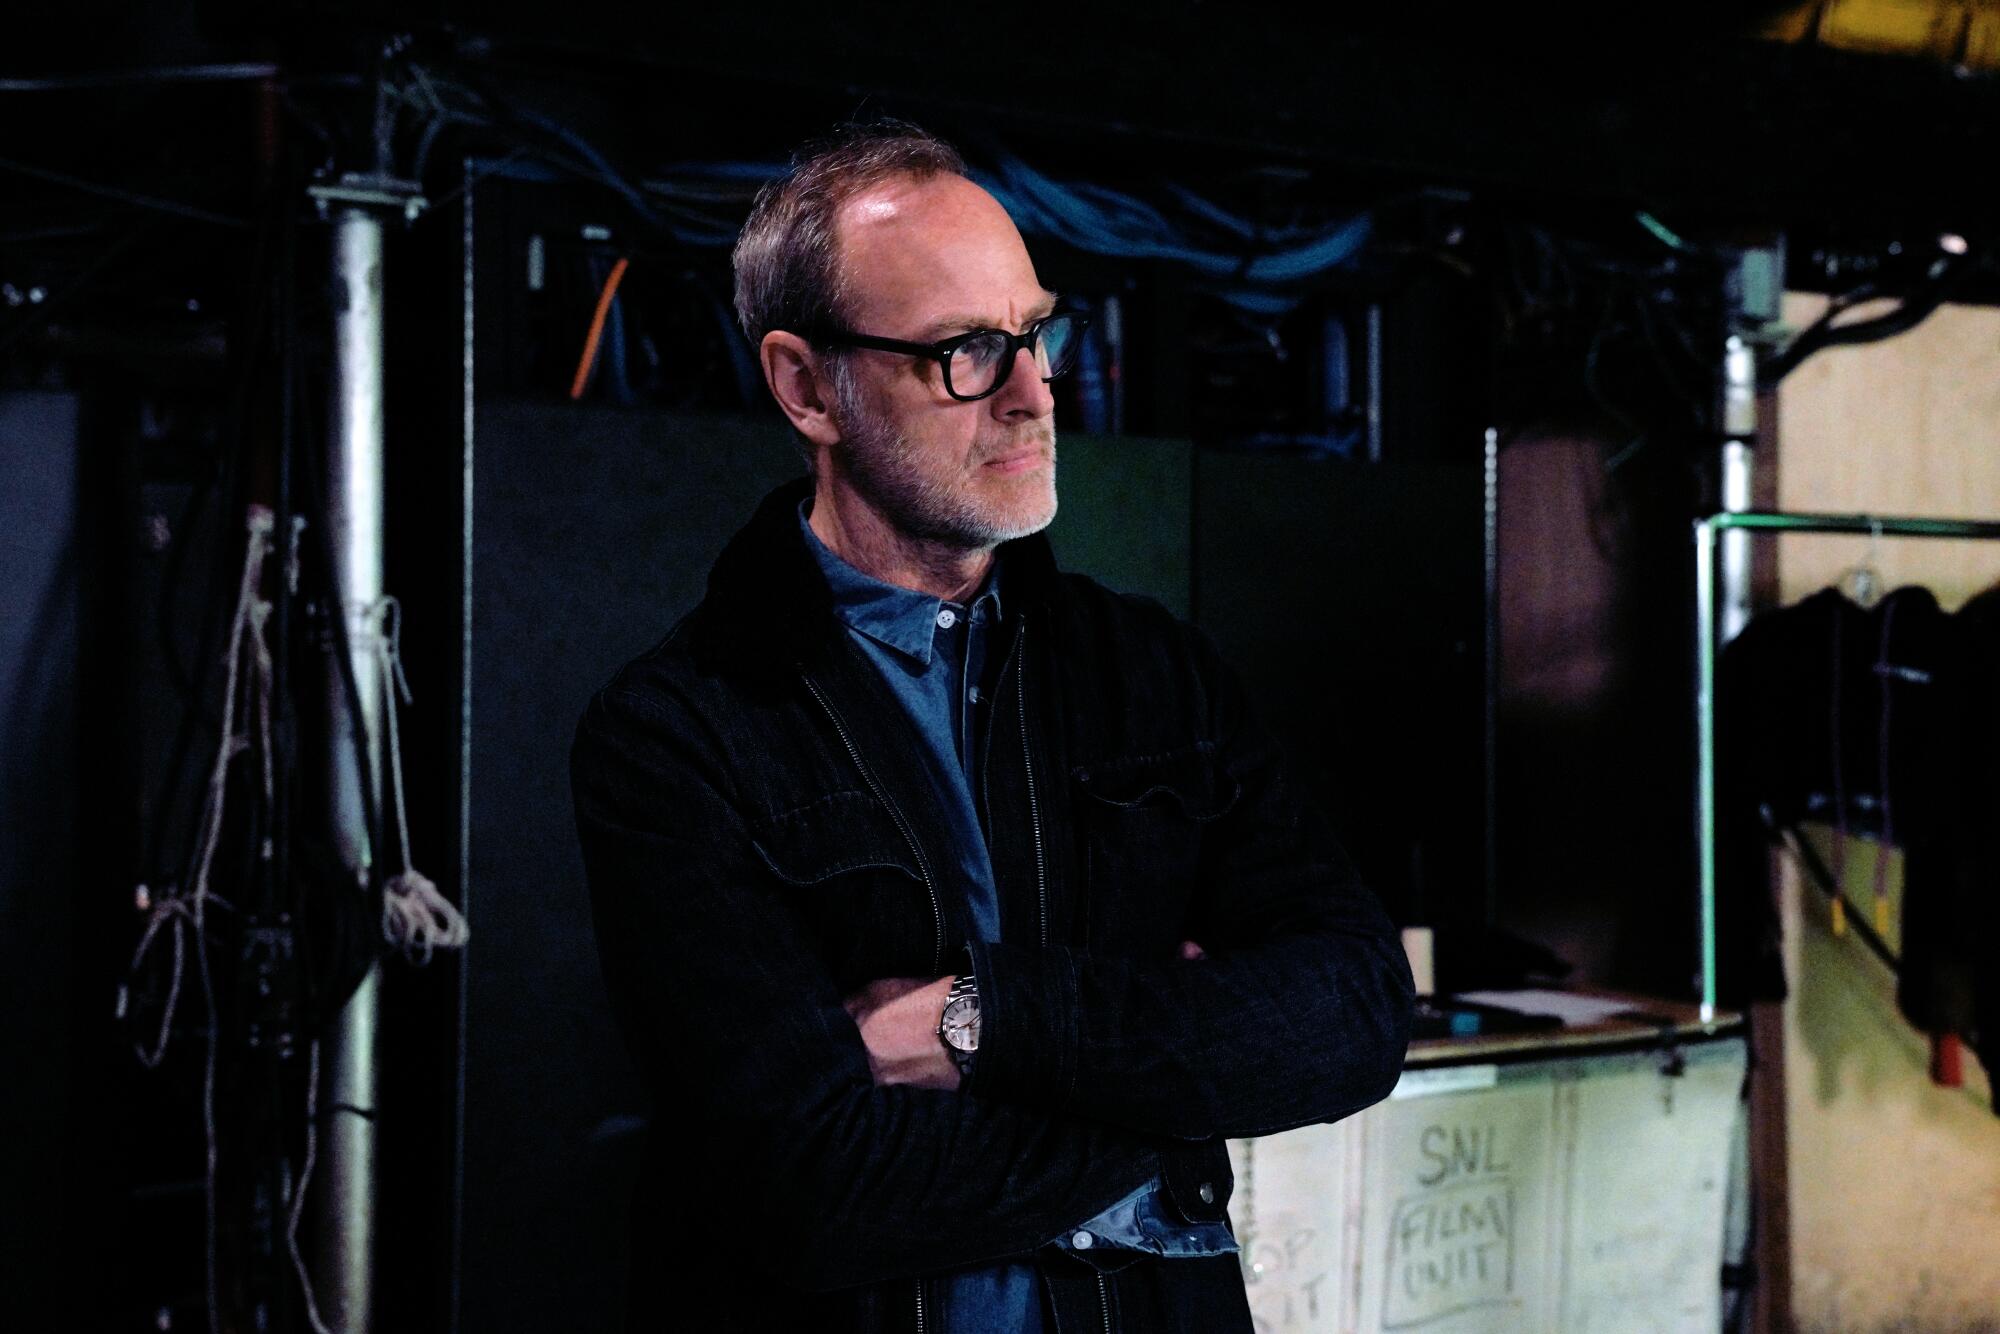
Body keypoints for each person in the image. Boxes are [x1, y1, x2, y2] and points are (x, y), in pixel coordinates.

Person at [570, 119, 1413, 1334]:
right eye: (965, 350)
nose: (1031, 393)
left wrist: (988, 1017)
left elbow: (1351, 1015)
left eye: (1035, 332)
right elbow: (809, 1186)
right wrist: (1174, 1117)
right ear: (808, 385)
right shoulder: (677, 730)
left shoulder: (1149, 674)